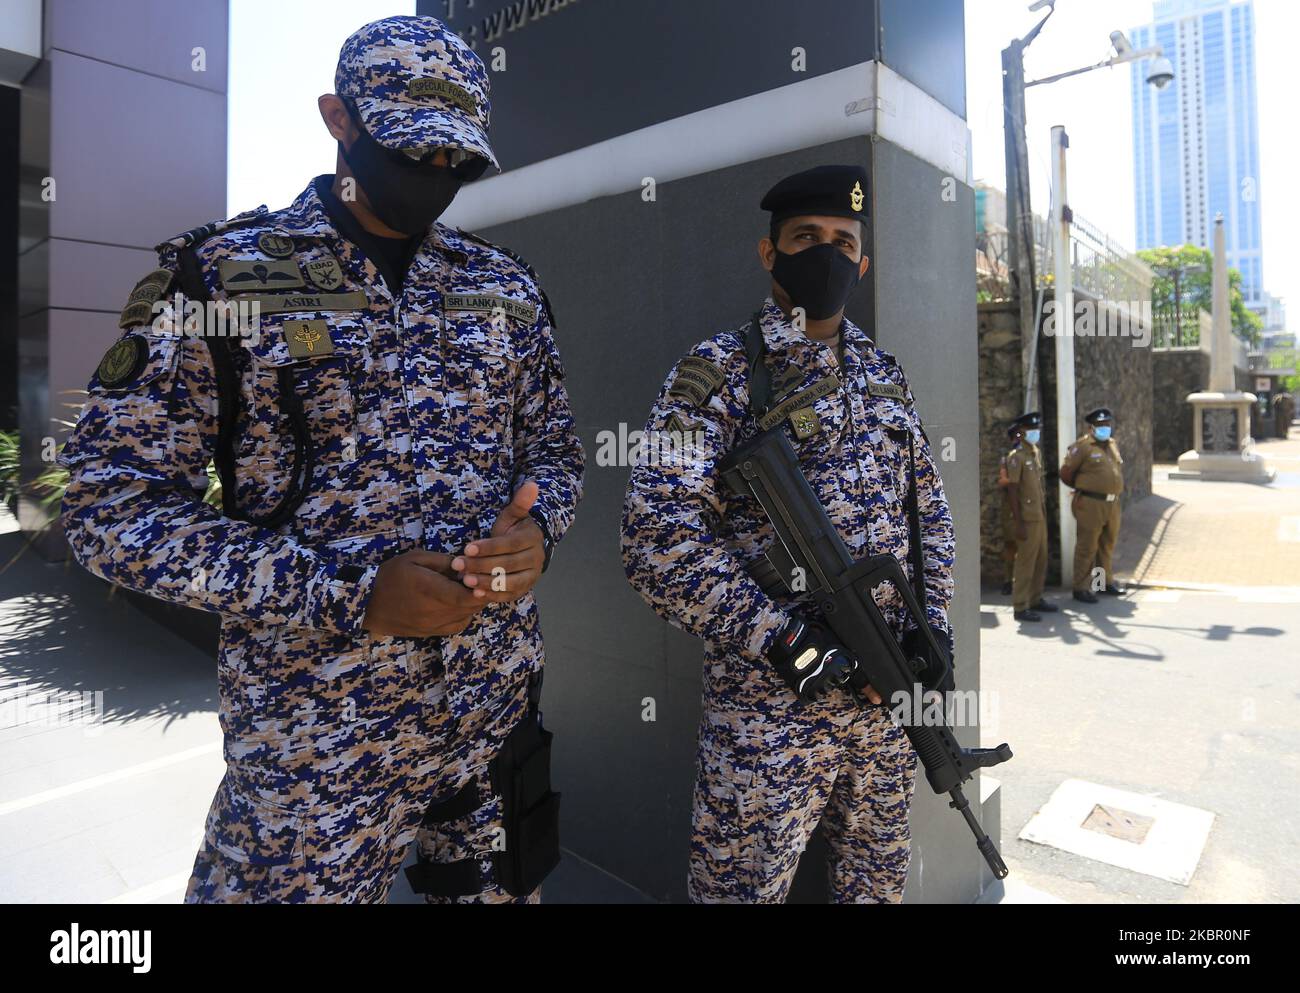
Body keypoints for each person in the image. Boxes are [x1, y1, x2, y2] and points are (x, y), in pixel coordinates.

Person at [58, 15, 584, 904]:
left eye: (458, 161)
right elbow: (110, 509)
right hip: (318, 745)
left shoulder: (503, 287)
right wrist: (347, 592)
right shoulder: (221, 278)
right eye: (415, 151)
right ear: (338, 118)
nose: (437, 176)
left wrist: (537, 532)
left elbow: (556, 450)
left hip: (489, 716)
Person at [621, 165, 955, 903]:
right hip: (767, 720)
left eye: (843, 242)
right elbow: (655, 544)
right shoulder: (719, 373)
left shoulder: (885, 377)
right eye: (806, 238)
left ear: (862, 264)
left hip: (883, 706)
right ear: (770, 253)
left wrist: (934, 630)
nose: (827, 255)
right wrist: (786, 640)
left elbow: (928, 515)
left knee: (875, 887)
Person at [1061, 406, 1123, 602]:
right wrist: (1083, 488)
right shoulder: (1083, 447)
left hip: (1111, 504)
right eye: (1100, 425)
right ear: (1091, 428)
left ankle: (1101, 583)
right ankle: (1081, 587)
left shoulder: (1112, 444)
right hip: (1090, 503)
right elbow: (1066, 473)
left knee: (1106, 544)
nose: (1105, 428)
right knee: (1087, 545)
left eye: (1107, 424)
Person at [1004, 411, 1057, 622]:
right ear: (1021, 432)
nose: (1035, 433)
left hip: (1038, 516)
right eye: (1031, 430)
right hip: (1026, 519)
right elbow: (1012, 491)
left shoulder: (1034, 453)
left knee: (1040, 559)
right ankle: (1020, 605)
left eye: (1037, 429)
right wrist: (1018, 523)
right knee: (1025, 562)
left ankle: (1035, 598)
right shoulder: (1016, 457)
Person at [997, 447, 1017, 596]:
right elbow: (1002, 481)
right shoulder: (1008, 459)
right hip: (1010, 510)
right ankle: (1008, 581)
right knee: (1010, 546)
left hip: (1028, 509)